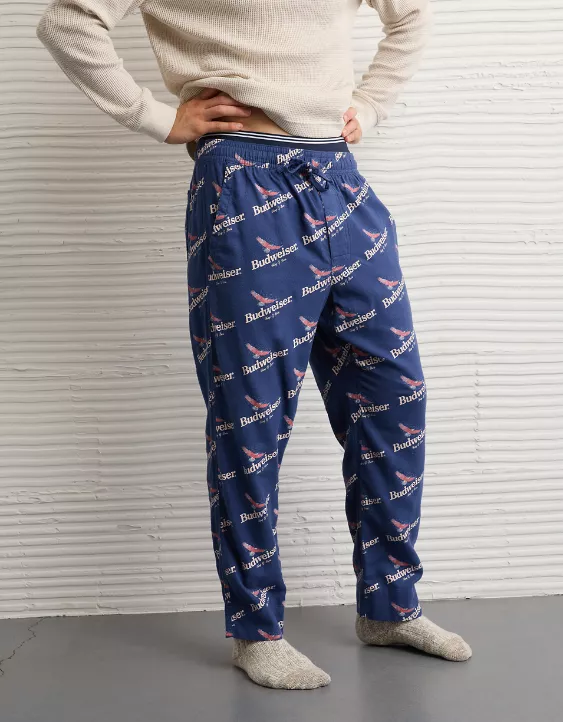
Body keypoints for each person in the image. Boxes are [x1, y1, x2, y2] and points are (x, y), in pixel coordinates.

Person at [36, 0, 472, 691]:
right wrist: (156, 117)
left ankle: (390, 607)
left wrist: (369, 105)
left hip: (340, 177)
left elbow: (409, 14)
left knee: (395, 399)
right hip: (243, 179)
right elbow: (70, 20)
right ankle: (256, 631)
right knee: (252, 418)